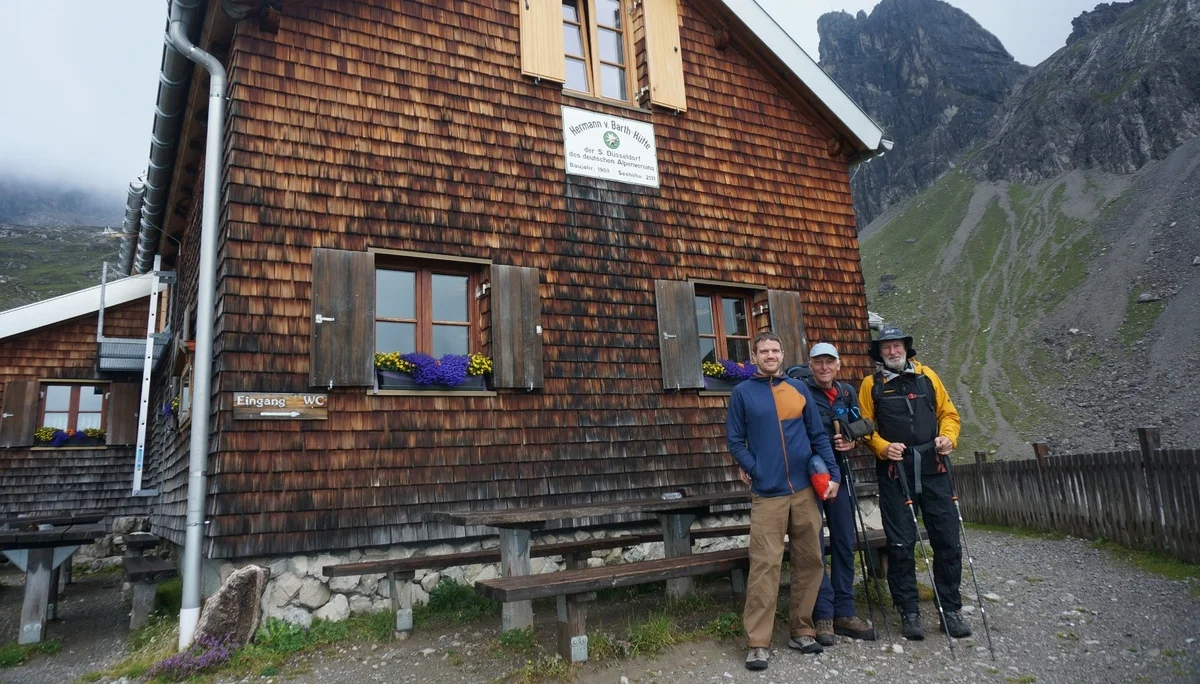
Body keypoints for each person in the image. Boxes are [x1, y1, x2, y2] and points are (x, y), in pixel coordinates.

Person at [726, 331, 839, 671]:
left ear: (782, 353)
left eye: (775, 350)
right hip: (768, 493)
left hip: (805, 489)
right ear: (754, 355)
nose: (771, 355)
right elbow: (734, 440)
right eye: (764, 350)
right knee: (764, 566)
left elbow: (817, 435)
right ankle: (758, 642)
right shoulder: (742, 393)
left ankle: (802, 630)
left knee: (810, 561)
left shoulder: (798, 388)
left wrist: (831, 473)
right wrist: (754, 469)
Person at [858, 326, 971, 641]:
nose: (893, 352)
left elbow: (949, 414)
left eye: (897, 346)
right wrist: (881, 447)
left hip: (935, 469)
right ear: (879, 353)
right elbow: (865, 427)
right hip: (895, 474)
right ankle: (908, 611)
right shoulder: (871, 385)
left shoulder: (928, 377)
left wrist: (948, 438)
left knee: (947, 541)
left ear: (907, 348)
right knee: (900, 544)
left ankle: (950, 609)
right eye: (886, 348)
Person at [794, 343, 878, 646]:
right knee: (814, 546)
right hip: (810, 477)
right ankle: (823, 614)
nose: (824, 367)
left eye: (830, 362)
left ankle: (845, 610)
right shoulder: (801, 391)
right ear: (810, 364)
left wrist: (852, 441)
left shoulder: (846, 392)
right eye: (819, 362)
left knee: (844, 541)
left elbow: (863, 425)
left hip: (840, 475)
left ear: (838, 365)